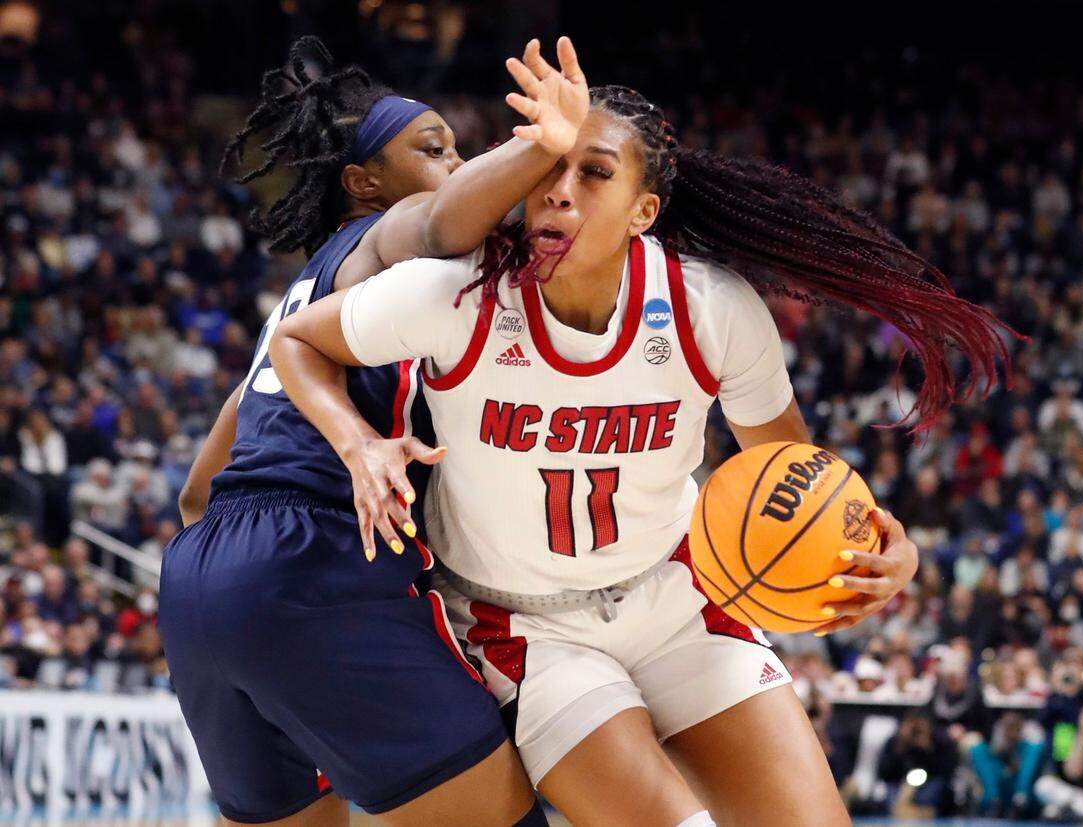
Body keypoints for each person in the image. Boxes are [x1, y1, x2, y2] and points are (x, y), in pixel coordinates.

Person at [271, 83, 1013, 825]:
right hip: (527, 629)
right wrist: (358, 442)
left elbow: (790, 474)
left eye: (593, 173)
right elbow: (296, 337)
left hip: (679, 597)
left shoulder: (711, 308)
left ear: (643, 211)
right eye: (546, 169)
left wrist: (882, 545)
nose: (558, 192)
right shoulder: (454, 296)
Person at [160, 35, 590, 827]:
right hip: (313, 559)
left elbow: (197, 489)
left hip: (196, 584)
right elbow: (434, 226)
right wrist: (540, 147)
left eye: (461, 149)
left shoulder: (299, 307)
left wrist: (246, 605)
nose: (458, 167)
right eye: (435, 150)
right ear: (365, 182)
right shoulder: (380, 240)